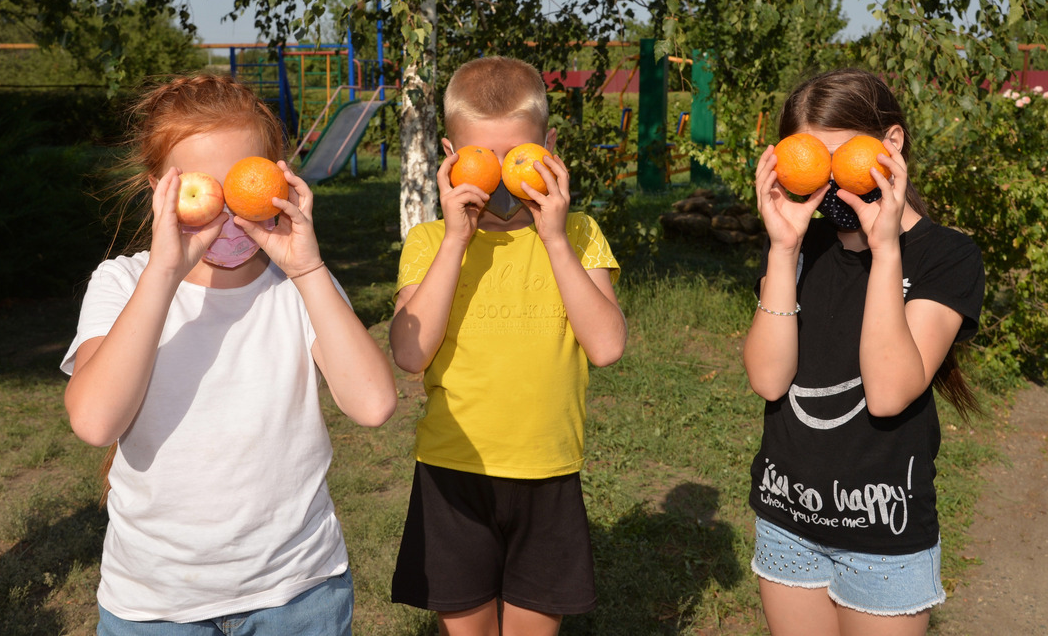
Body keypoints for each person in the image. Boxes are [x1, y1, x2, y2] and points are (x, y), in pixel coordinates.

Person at [60, 73, 398, 635]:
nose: (227, 210)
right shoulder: (124, 284)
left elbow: (373, 405)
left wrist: (309, 269)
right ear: (160, 191)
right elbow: (95, 421)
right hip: (156, 604)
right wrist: (166, 273)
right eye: (202, 187)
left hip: (298, 592)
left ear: (281, 185)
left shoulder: (301, 285)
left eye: (245, 183)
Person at [388, 56, 627, 636]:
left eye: (516, 157)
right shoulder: (428, 242)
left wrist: (554, 240)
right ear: (449, 156)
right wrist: (454, 242)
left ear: (548, 147)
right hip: (454, 470)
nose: (497, 178)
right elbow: (409, 353)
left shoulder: (579, 234)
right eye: (480, 160)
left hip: (547, 472)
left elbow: (607, 346)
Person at [742, 68, 986, 636]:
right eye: (811, 162)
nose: (827, 184)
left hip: (885, 536)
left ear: (891, 145)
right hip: (787, 520)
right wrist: (782, 249)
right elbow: (769, 379)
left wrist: (885, 249)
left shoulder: (945, 257)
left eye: (839, 156)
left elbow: (889, 391)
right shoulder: (800, 244)